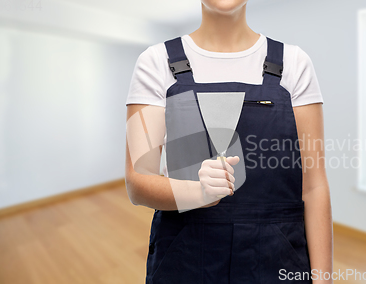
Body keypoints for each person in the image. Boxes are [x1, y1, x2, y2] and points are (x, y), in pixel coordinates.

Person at [124, 0, 333, 283]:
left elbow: (314, 185)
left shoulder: (294, 64)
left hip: (278, 259)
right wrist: (198, 193)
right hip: (186, 258)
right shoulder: (156, 62)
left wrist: (323, 279)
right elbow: (138, 181)